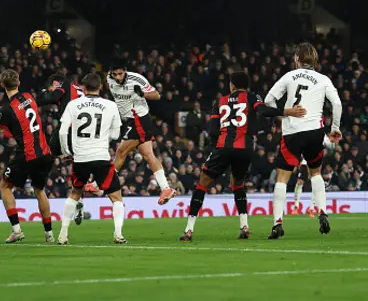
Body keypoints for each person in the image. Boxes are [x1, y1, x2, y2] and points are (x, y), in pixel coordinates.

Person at [179, 72, 306, 241]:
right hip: (244, 149)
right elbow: (263, 111)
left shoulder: (220, 101)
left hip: (223, 147)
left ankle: (189, 230)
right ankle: (244, 227)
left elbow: (213, 131)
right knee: (237, 184)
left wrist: (215, 149)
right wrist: (287, 111)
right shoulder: (252, 97)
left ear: (231, 85)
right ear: (247, 86)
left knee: (202, 184)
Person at [265, 42, 342, 239]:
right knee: (315, 173)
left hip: (291, 132)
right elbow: (337, 103)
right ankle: (323, 213)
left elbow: (268, 100)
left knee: (282, 177)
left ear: (297, 59)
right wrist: (334, 129)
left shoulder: (289, 76)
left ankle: (277, 223)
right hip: (315, 131)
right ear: (315, 60)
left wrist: (280, 117)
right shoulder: (323, 79)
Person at [0, 69, 54, 243]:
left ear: (3, 86)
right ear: (18, 83)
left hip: (27, 153)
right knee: (40, 191)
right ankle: (49, 234)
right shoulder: (29, 97)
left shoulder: (6, 109)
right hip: (44, 152)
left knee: (4, 186)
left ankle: (17, 230)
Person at [57, 73, 125, 244]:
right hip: (101, 156)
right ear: (101, 87)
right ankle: (118, 234)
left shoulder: (73, 105)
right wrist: (103, 139)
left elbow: (62, 131)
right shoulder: (110, 105)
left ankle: (63, 234)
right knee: (116, 198)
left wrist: (66, 152)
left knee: (74, 193)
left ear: (83, 88)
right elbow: (116, 134)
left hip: (80, 158)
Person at [106, 61, 175, 205]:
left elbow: (157, 95)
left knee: (121, 152)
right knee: (148, 155)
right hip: (128, 120)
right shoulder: (109, 78)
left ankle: (103, 184)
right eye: (115, 74)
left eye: (120, 73)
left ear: (125, 71)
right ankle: (166, 188)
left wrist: (142, 93)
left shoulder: (137, 79)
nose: (118, 77)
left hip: (138, 119)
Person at [37, 73, 85, 224]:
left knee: (48, 153)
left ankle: (38, 184)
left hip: (69, 126)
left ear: (55, 83)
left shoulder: (64, 85)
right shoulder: (77, 87)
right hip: (83, 131)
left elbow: (50, 98)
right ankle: (78, 200)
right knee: (77, 166)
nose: (51, 90)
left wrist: (32, 102)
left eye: (51, 87)